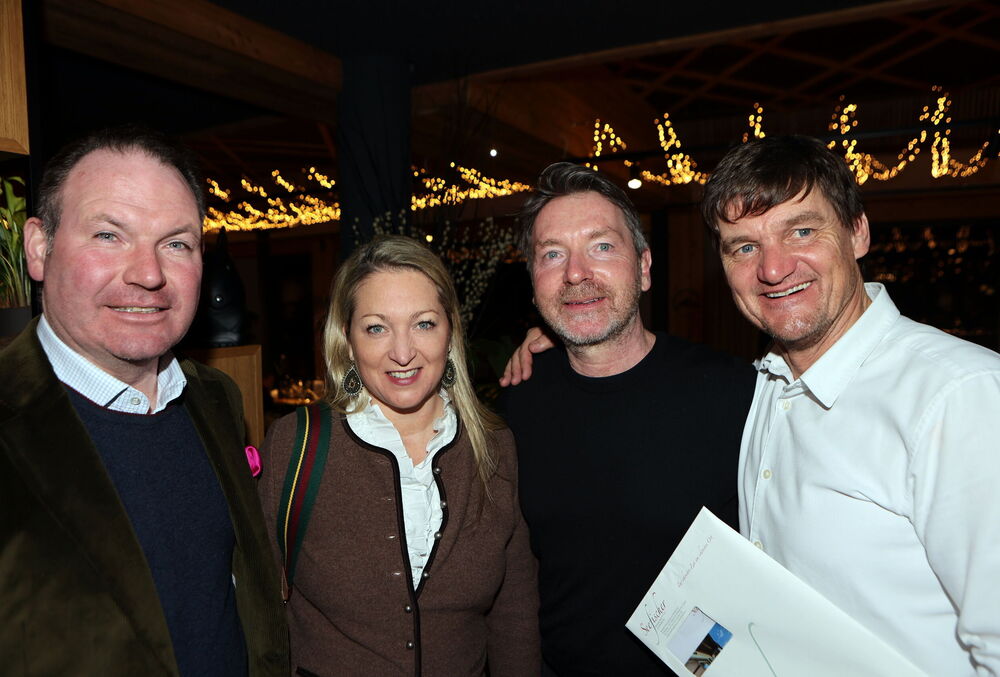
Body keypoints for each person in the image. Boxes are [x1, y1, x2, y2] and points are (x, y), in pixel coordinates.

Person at [701, 134, 1000, 675]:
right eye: (744, 247)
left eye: (801, 231)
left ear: (857, 232)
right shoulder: (766, 382)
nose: (773, 268)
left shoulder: (959, 395)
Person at [0, 127, 288, 675]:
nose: (150, 274)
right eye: (109, 235)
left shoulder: (217, 399)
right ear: (38, 248)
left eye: (176, 244)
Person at [499, 163, 754, 676]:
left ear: (643, 267)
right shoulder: (521, 398)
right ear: (533, 282)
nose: (576, 273)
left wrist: (706, 666)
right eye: (553, 254)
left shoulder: (733, 393)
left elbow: (765, 572)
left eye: (601, 246)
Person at [256, 235, 540, 676]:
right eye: (377, 328)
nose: (403, 353)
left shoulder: (494, 447)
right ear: (347, 339)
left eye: (423, 324)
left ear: (450, 332)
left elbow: (514, 612)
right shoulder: (294, 445)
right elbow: (256, 606)